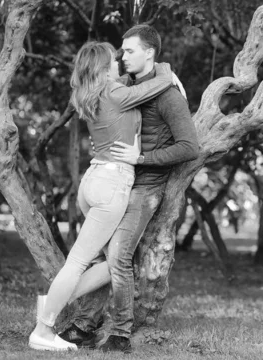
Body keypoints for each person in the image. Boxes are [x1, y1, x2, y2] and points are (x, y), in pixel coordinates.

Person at [58, 24, 199, 353]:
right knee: (100, 255)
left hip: (144, 187)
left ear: (149, 53)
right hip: (114, 183)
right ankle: (85, 326)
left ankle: (120, 334)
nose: (122, 55)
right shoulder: (123, 86)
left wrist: (143, 158)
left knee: (118, 256)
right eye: (120, 50)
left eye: (130, 50)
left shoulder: (168, 96)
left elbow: (189, 148)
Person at [28, 41, 176, 351]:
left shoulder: (93, 91)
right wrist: (166, 69)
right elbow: (156, 84)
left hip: (93, 180)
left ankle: (50, 302)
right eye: (114, 58)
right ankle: (43, 329)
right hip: (113, 183)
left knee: (113, 264)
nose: (120, 60)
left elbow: (127, 84)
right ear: (102, 66)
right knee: (79, 262)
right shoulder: (116, 93)